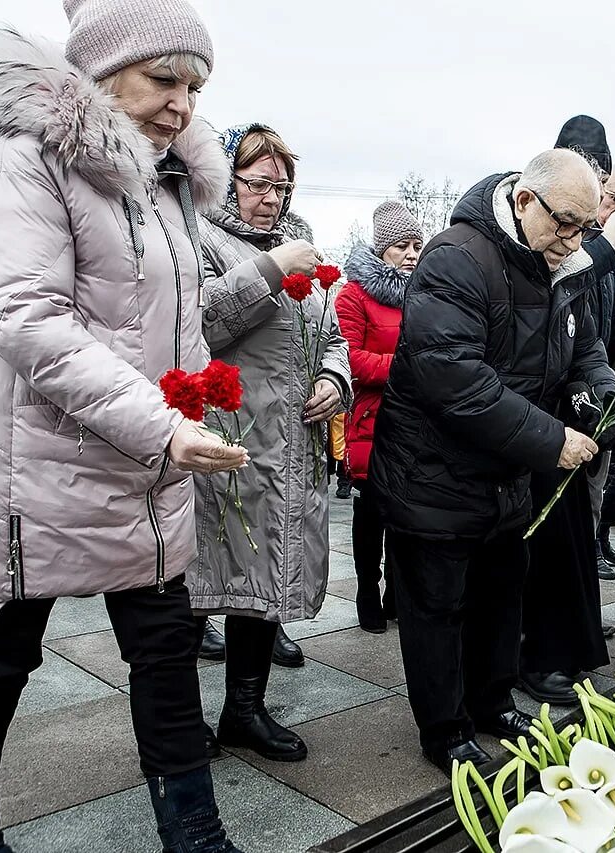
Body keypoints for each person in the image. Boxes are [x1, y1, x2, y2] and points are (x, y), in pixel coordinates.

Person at [0, 5, 251, 851]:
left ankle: (197, 834)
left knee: (168, 653)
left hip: (138, 458)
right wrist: (162, 424)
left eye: (196, 86)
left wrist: (198, 387)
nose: (182, 105)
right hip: (29, 462)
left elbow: (169, 317)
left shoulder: (166, 183)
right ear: (102, 73)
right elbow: (29, 320)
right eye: (163, 79)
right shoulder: (20, 165)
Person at [369, 149, 615, 773]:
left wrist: (601, 390)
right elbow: (450, 376)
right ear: (524, 200)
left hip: (506, 471)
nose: (574, 238)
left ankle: (491, 701)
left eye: (586, 226)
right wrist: (550, 438)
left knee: (502, 595)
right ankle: (446, 728)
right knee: (438, 606)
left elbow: (584, 347)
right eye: (565, 222)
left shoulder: (569, 264)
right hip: (436, 469)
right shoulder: (458, 256)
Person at [189, 123, 351, 763]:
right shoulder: (202, 239)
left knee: (261, 590)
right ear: (230, 181)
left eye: (281, 186)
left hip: (291, 449)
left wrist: (335, 378)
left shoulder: (296, 250)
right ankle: (177, 720)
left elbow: (332, 334)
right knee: (199, 586)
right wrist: (267, 271)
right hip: (227, 445)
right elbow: (196, 322)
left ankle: (244, 711)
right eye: (257, 183)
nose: (271, 198)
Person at [518, 160, 615, 705]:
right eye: (613, 199)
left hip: (583, 411)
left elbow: (608, 331)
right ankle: (535, 651)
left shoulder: (608, 261)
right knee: (543, 544)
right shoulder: (562, 246)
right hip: (540, 416)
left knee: (579, 536)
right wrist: (604, 247)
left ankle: (572, 638)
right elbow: (556, 291)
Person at [335, 201, 424, 633]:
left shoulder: (425, 294)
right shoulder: (354, 295)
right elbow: (348, 358)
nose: (411, 253)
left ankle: (396, 592)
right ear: (382, 248)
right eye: (401, 245)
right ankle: (367, 589)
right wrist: (406, 367)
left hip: (416, 423)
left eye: (416, 245)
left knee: (407, 515)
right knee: (370, 516)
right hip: (373, 420)